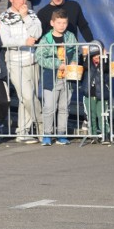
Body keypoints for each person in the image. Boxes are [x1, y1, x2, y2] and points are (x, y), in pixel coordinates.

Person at [0, 0, 43, 143]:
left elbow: (37, 33)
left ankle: (23, 132)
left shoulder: (31, 14)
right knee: (27, 96)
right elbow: (5, 40)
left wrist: (26, 17)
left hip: (32, 60)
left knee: (27, 99)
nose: (22, 2)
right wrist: (24, 41)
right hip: (15, 61)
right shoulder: (4, 17)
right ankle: (43, 126)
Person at [36, 9, 78, 145]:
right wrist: (56, 64)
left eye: (64, 23)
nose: (62, 25)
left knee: (64, 108)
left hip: (67, 79)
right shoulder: (45, 39)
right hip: (51, 78)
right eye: (59, 22)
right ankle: (47, 134)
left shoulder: (71, 36)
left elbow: (76, 51)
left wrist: (74, 61)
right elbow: (39, 57)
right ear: (52, 23)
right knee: (49, 107)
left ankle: (61, 134)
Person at [81, 45, 111, 143]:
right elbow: (84, 64)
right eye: (95, 57)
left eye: (99, 56)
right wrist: (85, 55)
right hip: (89, 93)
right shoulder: (88, 64)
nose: (97, 59)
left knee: (102, 115)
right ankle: (93, 135)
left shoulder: (104, 63)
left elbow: (106, 67)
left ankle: (105, 134)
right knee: (91, 115)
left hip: (102, 93)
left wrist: (105, 57)